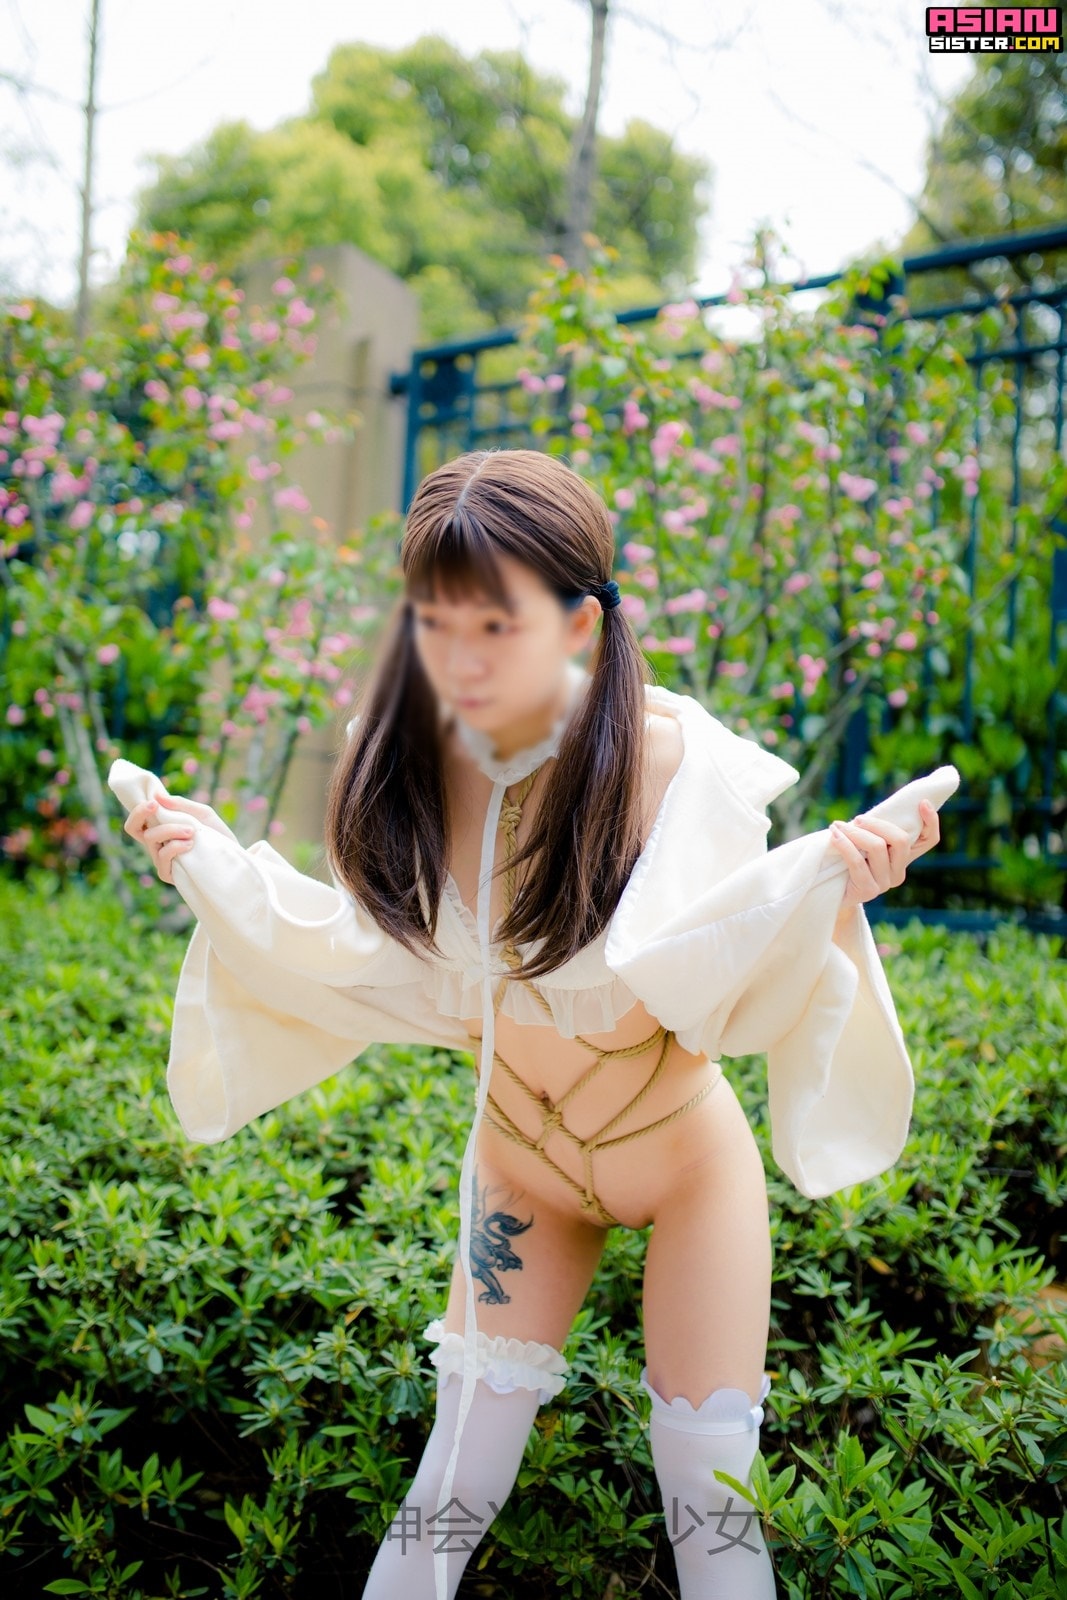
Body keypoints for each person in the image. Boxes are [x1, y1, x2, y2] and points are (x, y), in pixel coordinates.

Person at [114, 447, 947, 1600]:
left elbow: (730, 962)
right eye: (434, 621)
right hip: (520, 1169)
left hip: (683, 1167)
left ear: (580, 623)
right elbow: (355, 955)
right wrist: (214, 866)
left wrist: (837, 880)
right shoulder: (398, 757)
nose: (458, 658)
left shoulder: (673, 767)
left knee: (710, 1510)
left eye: (495, 625)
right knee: (448, 1493)